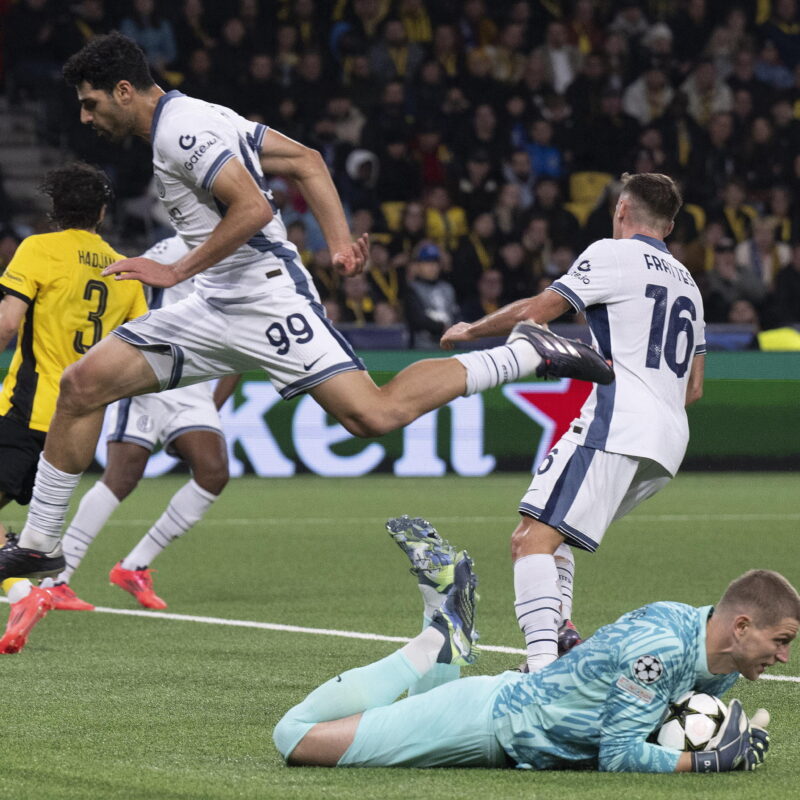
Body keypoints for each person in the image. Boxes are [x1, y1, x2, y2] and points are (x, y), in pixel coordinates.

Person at [0, 33, 613, 585]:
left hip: (267, 299)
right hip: (215, 303)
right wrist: (340, 242)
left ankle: (524, 352)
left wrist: (175, 269)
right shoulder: (200, 116)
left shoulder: (179, 132)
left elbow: (254, 210)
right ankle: (40, 547)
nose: (85, 116)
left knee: (371, 415)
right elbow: (305, 162)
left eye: (90, 102)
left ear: (124, 90)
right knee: (82, 385)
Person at [441, 173, 706, 673]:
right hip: (668, 443)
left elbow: (540, 312)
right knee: (555, 530)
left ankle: (542, 673)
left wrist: (472, 330)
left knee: (530, 541)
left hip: (618, 420)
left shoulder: (612, 252)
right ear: (668, 227)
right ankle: (561, 633)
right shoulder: (688, 282)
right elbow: (694, 387)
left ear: (622, 210)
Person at [274, 518, 795, 772]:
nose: (785, 656)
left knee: (404, 715)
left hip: (506, 731)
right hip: (484, 720)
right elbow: (618, 756)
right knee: (294, 739)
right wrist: (707, 761)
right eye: (782, 641)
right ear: (742, 626)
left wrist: (724, 734)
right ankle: (437, 635)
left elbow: (659, 724)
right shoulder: (660, 647)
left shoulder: (721, 663)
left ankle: (445, 642)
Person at [0, 162, 148, 654]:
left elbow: (6, 324)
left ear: (53, 209)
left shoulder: (37, 249)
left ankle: (24, 587)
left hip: (24, 411)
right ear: (103, 213)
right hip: (78, 429)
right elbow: (139, 352)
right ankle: (25, 589)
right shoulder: (125, 270)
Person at [43, 235, 235, 613]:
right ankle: (58, 579)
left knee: (214, 472)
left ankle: (134, 566)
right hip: (152, 371)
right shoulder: (181, 245)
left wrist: (209, 411)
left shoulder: (242, 254)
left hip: (194, 383)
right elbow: (128, 282)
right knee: (121, 477)